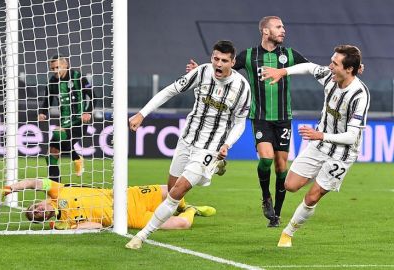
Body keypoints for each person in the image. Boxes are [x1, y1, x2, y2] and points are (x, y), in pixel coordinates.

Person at [125, 40, 251, 249]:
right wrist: (142, 113)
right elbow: (170, 90)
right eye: (216, 59)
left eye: (224, 61)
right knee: (172, 186)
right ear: (212, 57)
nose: (218, 64)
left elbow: (239, 122)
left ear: (233, 62)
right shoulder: (201, 72)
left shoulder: (241, 88)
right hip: (187, 139)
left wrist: (228, 143)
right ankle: (211, 173)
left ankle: (141, 236)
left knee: (177, 192)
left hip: (210, 147)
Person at [186, 16, 309, 227]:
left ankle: (276, 214)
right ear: (265, 31)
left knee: (281, 168)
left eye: (283, 27)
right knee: (267, 159)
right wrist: (202, 72)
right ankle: (265, 197)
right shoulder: (249, 56)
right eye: (278, 27)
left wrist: (350, 67)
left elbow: (314, 69)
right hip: (260, 117)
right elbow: (224, 71)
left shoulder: (289, 55)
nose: (283, 30)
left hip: (283, 119)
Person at [261, 45, 369, 247]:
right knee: (290, 185)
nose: (330, 66)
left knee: (313, 196)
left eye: (335, 64)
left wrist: (321, 134)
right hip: (319, 145)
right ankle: (316, 181)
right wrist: (283, 71)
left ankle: (288, 232)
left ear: (349, 69)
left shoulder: (359, 95)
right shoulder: (330, 77)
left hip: (341, 154)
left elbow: (352, 136)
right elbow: (310, 68)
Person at [0, 178, 216, 230]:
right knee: (181, 225)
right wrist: (73, 229)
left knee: (173, 187)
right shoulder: (64, 222)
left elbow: (32, 182)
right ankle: (191, 210)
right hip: (129, 219)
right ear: (44, 219)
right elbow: (97, 226)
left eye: (36, 208)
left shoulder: (57, 191)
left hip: (129, 196)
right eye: (38, 215)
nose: (39, 211)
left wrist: (8, 189)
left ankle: (181, 203)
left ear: (40, 201)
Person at [38, 55, 94, 182]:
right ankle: (55, 191)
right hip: (64, 122)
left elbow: (93, 96)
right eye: (52, 68)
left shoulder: (77, 77)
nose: (55, 70)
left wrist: (88, 112)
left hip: (79, 121)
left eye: (57, 67)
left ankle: (76, 158)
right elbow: (47, 100)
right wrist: (42, 112)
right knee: (51, 155)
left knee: (58, 132)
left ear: (65, 65)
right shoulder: (52, 82)